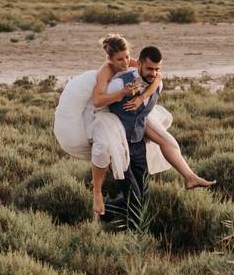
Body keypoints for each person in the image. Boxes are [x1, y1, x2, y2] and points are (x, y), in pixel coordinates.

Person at [89, 35, 213, 219]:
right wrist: (123, 93)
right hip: (120, 145)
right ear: (138, 65)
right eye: (119, 59)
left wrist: (141, 97)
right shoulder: (113, 77)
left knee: (142, 200)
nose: (124, 62)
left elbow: (157, 79)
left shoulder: (152, 77)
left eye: (126, 57)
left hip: (138, 144)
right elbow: (98, 101)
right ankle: (127, 230)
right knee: (135, 202)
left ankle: (105, 213)